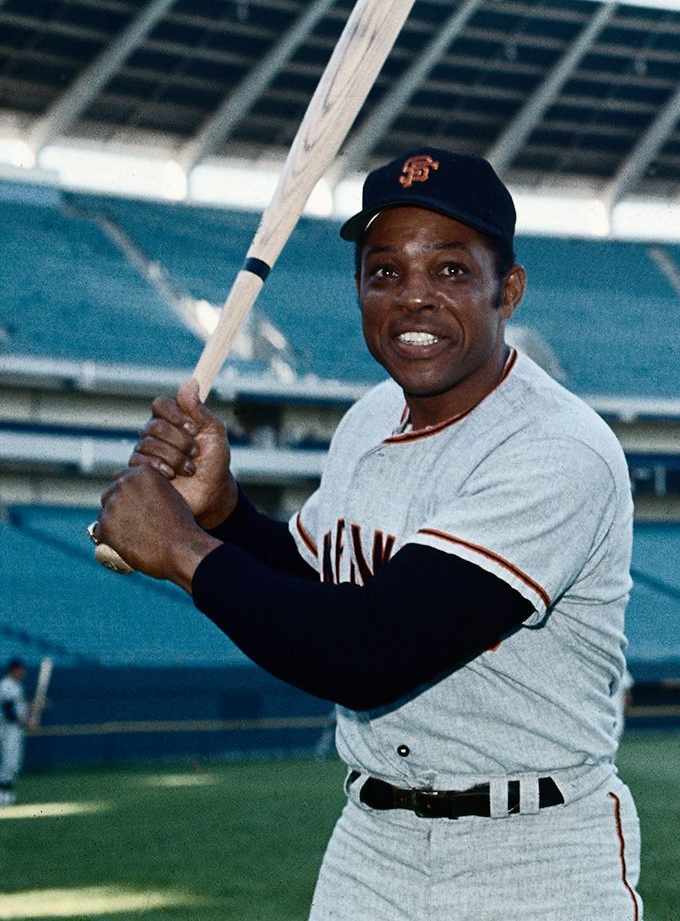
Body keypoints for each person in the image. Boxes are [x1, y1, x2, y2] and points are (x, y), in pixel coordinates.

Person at [94, 147, 642, 920]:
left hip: (534, 848)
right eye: (385, 273)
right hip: (371, 842)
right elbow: (319, 589)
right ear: (358, 291)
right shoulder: (367, 420)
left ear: (507, 290)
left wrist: (182, 547)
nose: (414, 298)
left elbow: (368, 653)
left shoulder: (556, 449)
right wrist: (223, 514)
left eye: (451, 271)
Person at [0, 659, 29, 807]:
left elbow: (18, 709)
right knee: (9, 763)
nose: (23, 673)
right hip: (8, 729)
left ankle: (8, 796)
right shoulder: (7, 685)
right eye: (21, 670)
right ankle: (3, 796)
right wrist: (25, 721)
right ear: (14, 670)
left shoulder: (16, 686)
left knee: (13, 764)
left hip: (15, 729)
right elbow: (9, 712)